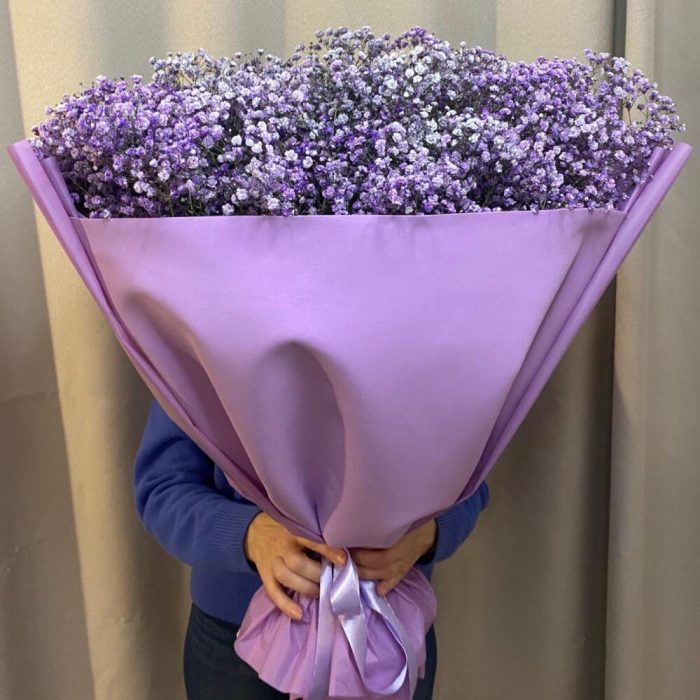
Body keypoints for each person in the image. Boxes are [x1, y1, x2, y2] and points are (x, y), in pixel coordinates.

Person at [133, 397, 490, 699]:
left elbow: (471, 480)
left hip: (389, 630)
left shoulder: (429, 339)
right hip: (236, 644)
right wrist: (248, 535)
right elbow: (162, 486)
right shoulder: (205, 336)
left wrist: (429, 532)